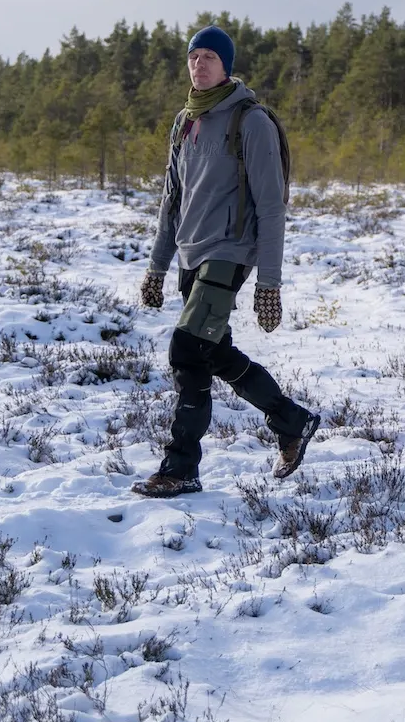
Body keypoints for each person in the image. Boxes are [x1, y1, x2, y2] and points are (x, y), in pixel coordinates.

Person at [133, 26, 319, 497]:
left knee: (185, 349)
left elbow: (272, 207)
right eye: (193, 56)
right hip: (192, 253)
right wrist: (157, 267)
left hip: (230, 252)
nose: (199, 64)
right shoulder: (184, 122)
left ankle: (180, 467)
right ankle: (292, 421)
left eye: (209, 56)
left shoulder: (250, 121)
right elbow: (171, 200)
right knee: (210, 353)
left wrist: (269, 284)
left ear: (228, 66)